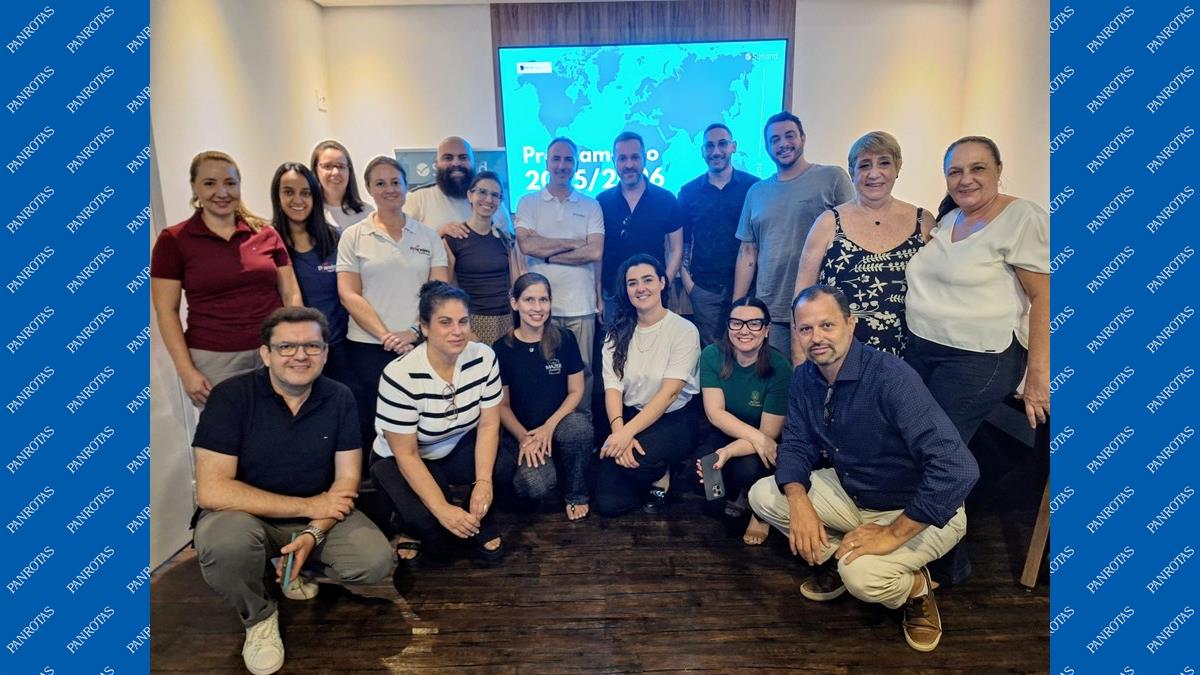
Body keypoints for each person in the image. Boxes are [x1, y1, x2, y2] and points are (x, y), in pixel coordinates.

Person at [748, 285, 978, 653]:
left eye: (827, 325)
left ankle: (917, 589)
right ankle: (843, 555)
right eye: (806, 329)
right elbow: (795, 442)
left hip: (914, 510)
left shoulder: (890, 377)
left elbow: (958, 468)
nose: (816, 337)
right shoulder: (806, 377)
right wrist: (798, 499)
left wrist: (892, 535)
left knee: (863, 579)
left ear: (851, 323)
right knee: (763, 495)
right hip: (855, 494)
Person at [192, 307, 393, 675]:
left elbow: (347, 480)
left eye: (312, 346)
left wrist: (314, 532)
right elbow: (211, 490)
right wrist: (310, 505)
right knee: (225, 545)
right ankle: (259, 617)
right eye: (286, 346)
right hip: (243, 517)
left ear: (325, 353)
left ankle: (294, 565)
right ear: (266, 353)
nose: (300, 355)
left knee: (374, 561)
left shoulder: (340, 397)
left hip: (313, 515)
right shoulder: (230, 397)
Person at [905, 135, 1050, 439]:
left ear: (999, 170)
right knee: (908, 434)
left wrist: (1038, 377)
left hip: (978, 358)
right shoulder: (950, 217)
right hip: (925, 349)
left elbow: (1045, 297)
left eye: (978, 168)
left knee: (932, 445)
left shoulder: (1022, 217)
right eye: (955, 172)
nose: (965, 179)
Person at [369, 281, 513, 564]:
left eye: (463, 321)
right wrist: (441, 509)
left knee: (503, 464)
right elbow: (407, 453)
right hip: (402, 457)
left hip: (453, 445)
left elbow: (488, 425)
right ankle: (411, 525)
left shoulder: (484, 357)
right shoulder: (400, 375)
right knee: (431, 528)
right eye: (445, 322)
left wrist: (483, 482)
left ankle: (477, 518)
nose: (457, 331)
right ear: (424, 327)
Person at [152, 150, 302, 407]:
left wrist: (296, 343)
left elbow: (291, 293)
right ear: (194, 187)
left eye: (230, 183)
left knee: (283, 425)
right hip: (215, 360)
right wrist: (186, 371)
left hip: (274, 351)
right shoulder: (173, 240)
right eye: (210, 183)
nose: (222, 192)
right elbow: (166, 311)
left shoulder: (266, 234)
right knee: (227, 430)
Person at [337, 156, 448, 455]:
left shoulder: (427, 235)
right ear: (369, 189)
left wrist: (413, 331)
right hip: (369, 346)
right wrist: (386, 336)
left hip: (419, 344)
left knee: (420, 420)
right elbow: (349, 294)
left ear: (406, 186)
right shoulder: (353, 236)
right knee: (379, 425)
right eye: (380, 183)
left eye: (395, 182)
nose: (389, 189)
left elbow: (438, 292)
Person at [790, 131, 934, 362]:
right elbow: (801, 299)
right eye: (864, 165)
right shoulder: (828, 223)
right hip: (837, 361)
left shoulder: (924, 222)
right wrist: (799, 360)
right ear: (852, 172)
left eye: (884, 163)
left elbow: (936, 292)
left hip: (907, 360)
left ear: (898, 167)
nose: (874, 173)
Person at [732, 112, 854, 362]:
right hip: (772, 308)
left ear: (803, 138)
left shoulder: (832, 178)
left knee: (821, 376)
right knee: (779, 378)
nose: (783, 144)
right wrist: (738, 309)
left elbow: (854, 233)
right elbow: (747, 253)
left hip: (821, 308)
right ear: (767, 147)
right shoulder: (756, 192)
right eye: (775, 140)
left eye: (790, 136)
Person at [595, 254, 700, 516]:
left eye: (648, 280)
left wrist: (624, 436)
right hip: (630, 414)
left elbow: (669, 394)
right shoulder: (616, 332)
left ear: (662, 282)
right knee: (608, 503)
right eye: (632, 283)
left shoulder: (684, 330)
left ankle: (663, 471)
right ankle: (647, 471)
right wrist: (620, 432)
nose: (640, 288)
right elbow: (612, 388)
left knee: (636, 463)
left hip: (673, 418)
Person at [492, 273, 594, 520]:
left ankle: (576, 493)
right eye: (529, 300)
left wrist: (549, 426)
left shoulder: (565, 339)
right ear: (515, 303)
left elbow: (576, 391)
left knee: (580, 428)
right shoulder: (501, 348)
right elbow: (502, 406)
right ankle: (552, 466)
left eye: (543, 300)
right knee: (533, 486)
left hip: (559, 425)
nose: (537, 308)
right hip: (524, 433)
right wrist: (524, 438)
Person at [515, 137, 605, 413]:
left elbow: (595, 251)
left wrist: (546, 252)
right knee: (543, 370)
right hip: (540, 306)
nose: (562, 165)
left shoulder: (591, 205)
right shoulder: (528, 202)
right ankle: (548, 426)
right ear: (546, 163)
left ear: (577, 165)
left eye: (568, 160)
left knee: (584, 370)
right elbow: (526, 245)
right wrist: (574, 243)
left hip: (581, 304)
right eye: (556, 159)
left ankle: (582, 426)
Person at [693, 297, 790, 544]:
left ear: (767, 329)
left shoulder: (780, 367)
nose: (744, 330)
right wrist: (726, 451)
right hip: (728, 430)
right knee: (702, 473)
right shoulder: (712, 355)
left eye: (754, 323)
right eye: (736, 323)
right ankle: (736, 495)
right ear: (728, 326)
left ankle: (761, 514)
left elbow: (769, 435)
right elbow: (715, 413)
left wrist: (727, 452)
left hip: (765, 440)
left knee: (747, 469)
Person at [270, 162, 352, 387]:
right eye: (289, 192)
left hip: (339, 348)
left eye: (305, 193)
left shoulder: (335, 238)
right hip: (295, 354)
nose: (298, 200)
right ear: (277, 196)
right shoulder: (269, 242)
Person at [678, 123, 760, 345]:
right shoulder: (688, 192)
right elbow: (682, 244)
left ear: (734, 146)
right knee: (712, 353)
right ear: (702, 151)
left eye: (722, 144)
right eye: (709, 146)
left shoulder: (754, 188)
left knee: (747, 349)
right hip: (705, 290)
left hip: (749, 289)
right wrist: (690, 287)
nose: (716, 151)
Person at [597, 132, 683, 322]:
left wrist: (664, 284)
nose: (629, 164)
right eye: (622, 158)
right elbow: (598, 255)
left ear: (645, 158)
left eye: (635, 157)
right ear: (613, 161)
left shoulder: (667, 199)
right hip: (613, 297)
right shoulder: (601, 202)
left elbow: (676, 249)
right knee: (616, 342)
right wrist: (598, 296)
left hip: (654, 296)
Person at [443, 171, 524, 344]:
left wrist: (516, 322)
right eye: (482, 192)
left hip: (507, 321)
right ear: (470, 195)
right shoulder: (453, 239)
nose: (488, 199)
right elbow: (446, 290)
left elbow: (516, 283)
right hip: (471, 322)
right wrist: (462, 327)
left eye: (495, 195)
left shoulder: (506, 239)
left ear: (500, 201)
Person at [405, 135, 514, 238]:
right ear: (436, 164)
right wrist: (438, 234)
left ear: (474, 163)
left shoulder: (492, 201)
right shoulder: (417, 198)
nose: (456, 163)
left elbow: (509, 244)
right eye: (448, 158)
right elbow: (402, 243)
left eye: (463, 158)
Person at [310, 140, 374, 231]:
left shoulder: (367, 214)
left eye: (341, 166)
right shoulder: (308, 212)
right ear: (315, 170)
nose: (335, 172)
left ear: (349, 171)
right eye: (327, 166)